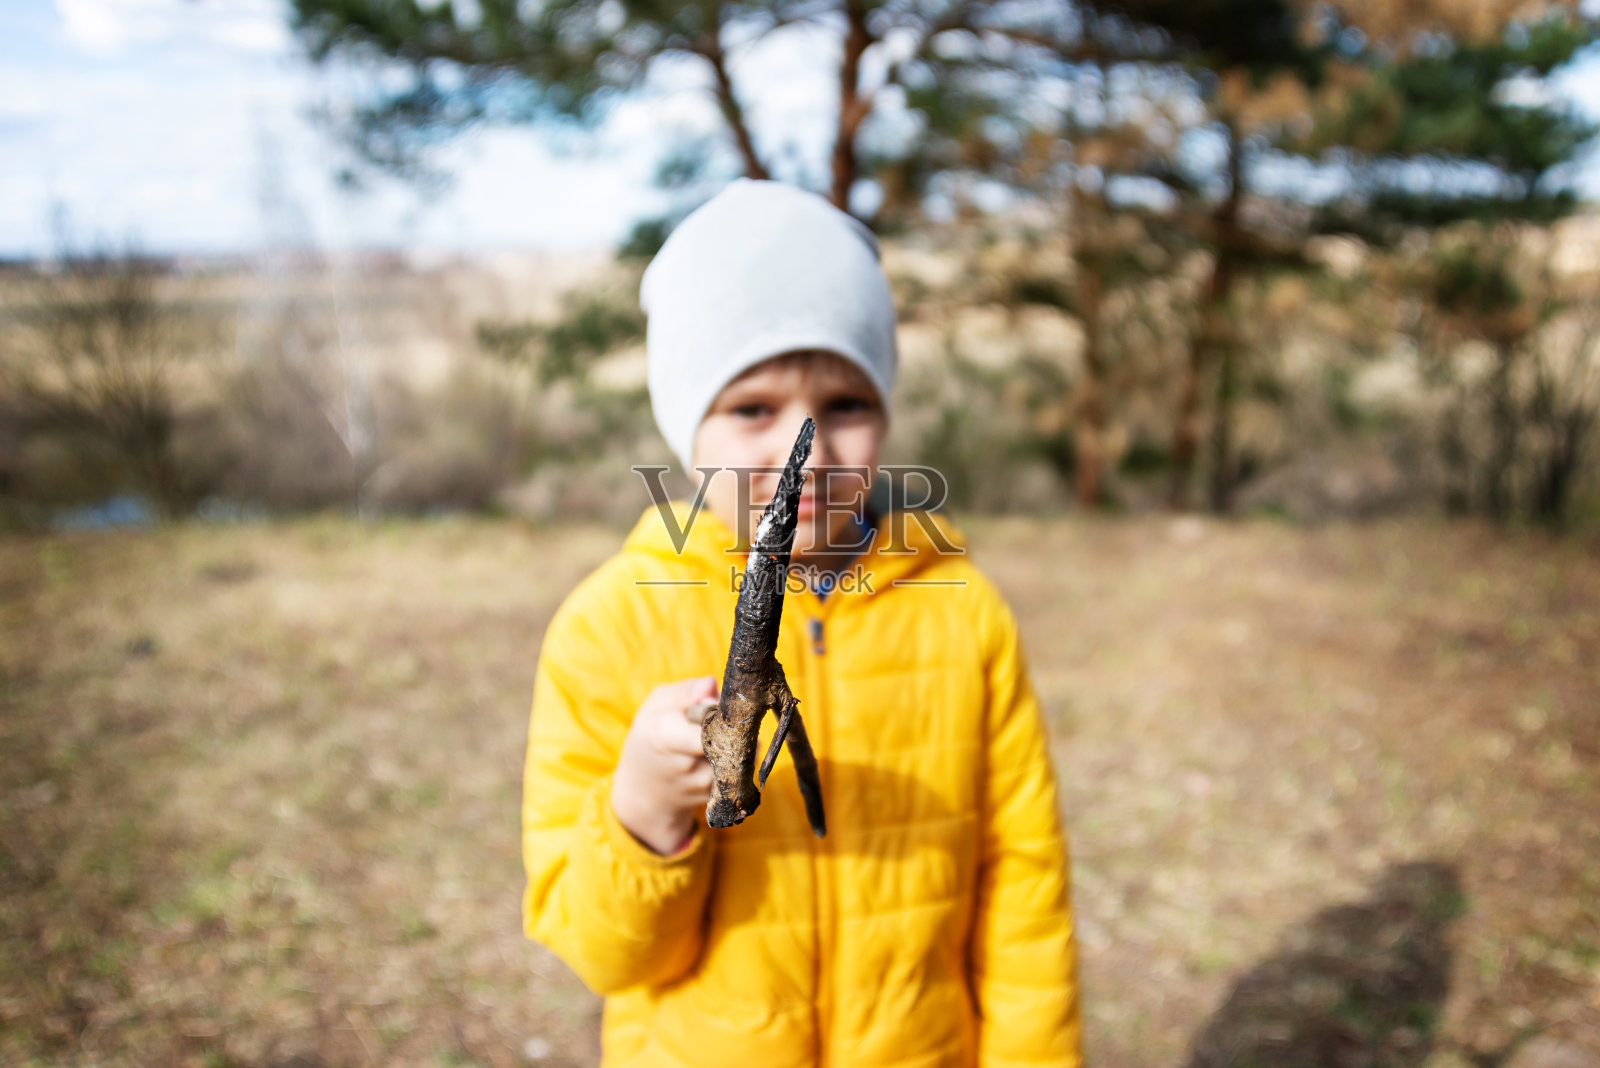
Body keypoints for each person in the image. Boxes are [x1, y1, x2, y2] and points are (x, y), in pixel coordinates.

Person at [521, 178, 1082, 1067]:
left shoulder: (964, 613)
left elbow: (1025, 883)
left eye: (845, 406)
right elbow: (607, 957)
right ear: (685, 427)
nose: (806, 450)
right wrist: (642, 809)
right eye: (753, 409)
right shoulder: (608, 628)